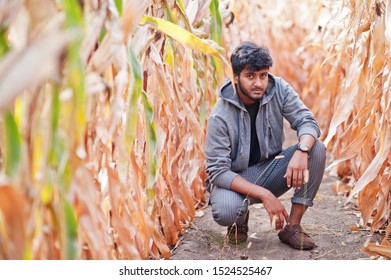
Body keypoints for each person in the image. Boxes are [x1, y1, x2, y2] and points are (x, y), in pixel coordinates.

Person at [204, 41, 326, 250]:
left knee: (316, 148)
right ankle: (239, 221)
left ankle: (293, 226)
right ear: (236, 78)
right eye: (250, 76)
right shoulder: (220, 115)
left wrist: (302, 150)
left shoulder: (278, 88)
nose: (258, 83)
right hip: (237, 179)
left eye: (263, 75)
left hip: (270, 168)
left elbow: (307, 121)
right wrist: (265, 194)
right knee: (226, 211)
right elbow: (218, 171)